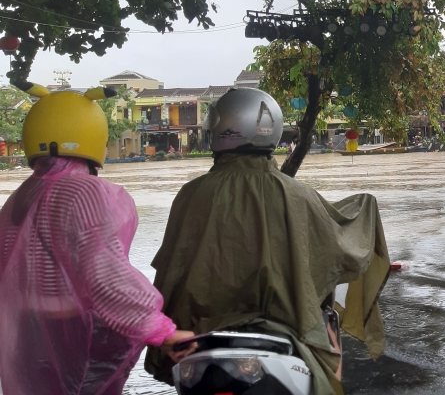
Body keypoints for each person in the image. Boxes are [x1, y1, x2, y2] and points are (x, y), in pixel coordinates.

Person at [144, 88, 390, 395]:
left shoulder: (191, 194)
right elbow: (336, 247)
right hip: (282, 333)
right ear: (271, 131)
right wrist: (363, 209)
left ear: (216, 130)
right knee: (327, 356)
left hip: (199, 337)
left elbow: (172, 270)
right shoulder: (297, 194)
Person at [0, 83, 194, 395]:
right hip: (71, 339)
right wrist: (163, 331)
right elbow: (105, 276)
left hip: (26, 337)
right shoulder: (85, 192)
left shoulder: (20, 197)